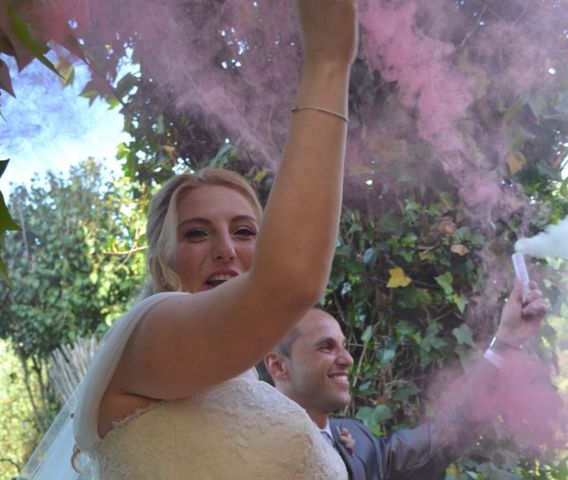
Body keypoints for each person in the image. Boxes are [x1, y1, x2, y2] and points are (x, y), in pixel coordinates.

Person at [68, 1, 359, 478]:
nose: (226, 248)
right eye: (197, 233)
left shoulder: (261, 394)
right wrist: (329, 60)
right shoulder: (145, 337)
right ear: (164, 262)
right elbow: (287, 282)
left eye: (245, 232)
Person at [263, 280, 549, 480]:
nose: (347, 359)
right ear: (278, 365)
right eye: (326, 347)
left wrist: (505, 342)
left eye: (344, 346)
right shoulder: (251, 445)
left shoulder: (355, 438)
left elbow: (442, 439)